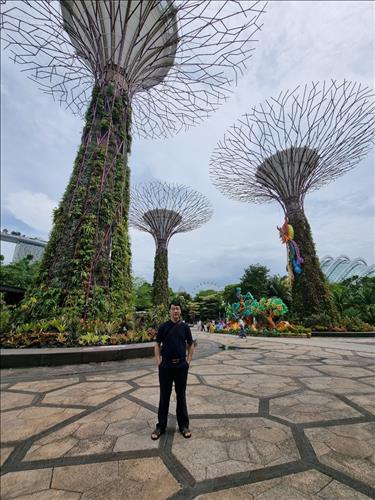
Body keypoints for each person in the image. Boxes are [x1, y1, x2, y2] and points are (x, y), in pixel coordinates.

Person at [151, 300, 194, 440]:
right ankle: (161, 426)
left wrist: (188, 361)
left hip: (181, 366)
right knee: (164, 396)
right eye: (173, 309)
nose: (176, 311)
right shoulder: (163, 327)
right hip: (166, 367)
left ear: (180, 311)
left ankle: (183, 426)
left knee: (181, 395)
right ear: (170, 311)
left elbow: (191, 344)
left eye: (178, 309)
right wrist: (158, 361)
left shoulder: (185, 327)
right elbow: (157, 345)